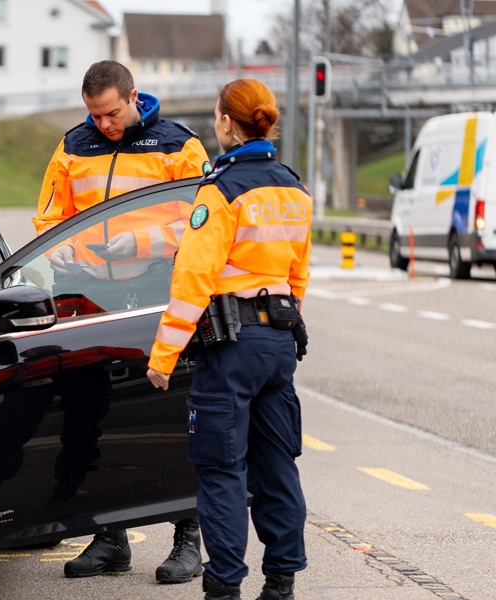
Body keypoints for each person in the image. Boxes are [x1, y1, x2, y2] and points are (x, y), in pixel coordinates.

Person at [34, 59, 211, 583]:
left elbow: (203, 221)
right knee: (92, 414)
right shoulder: (73, 145)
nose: (103, 124)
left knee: (173, 413)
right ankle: (109, 536)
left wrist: (140, 243)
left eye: (111, 113)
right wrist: (63, 251)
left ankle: (187, 538)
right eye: (94, 114)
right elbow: (50, 217)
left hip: (159, 291)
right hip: (90, 294)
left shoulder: (179, 146)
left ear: (134, 97)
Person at [146, 78, 312, 600]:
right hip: (278, 343)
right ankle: (281, 584)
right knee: (277, 467)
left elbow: (192, 280)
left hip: (231, 347)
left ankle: (223, 589)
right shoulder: (294, 188)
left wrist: (163, 357)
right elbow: (298, 276)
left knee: (222, 472)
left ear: (224, 121)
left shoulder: (220, 190)